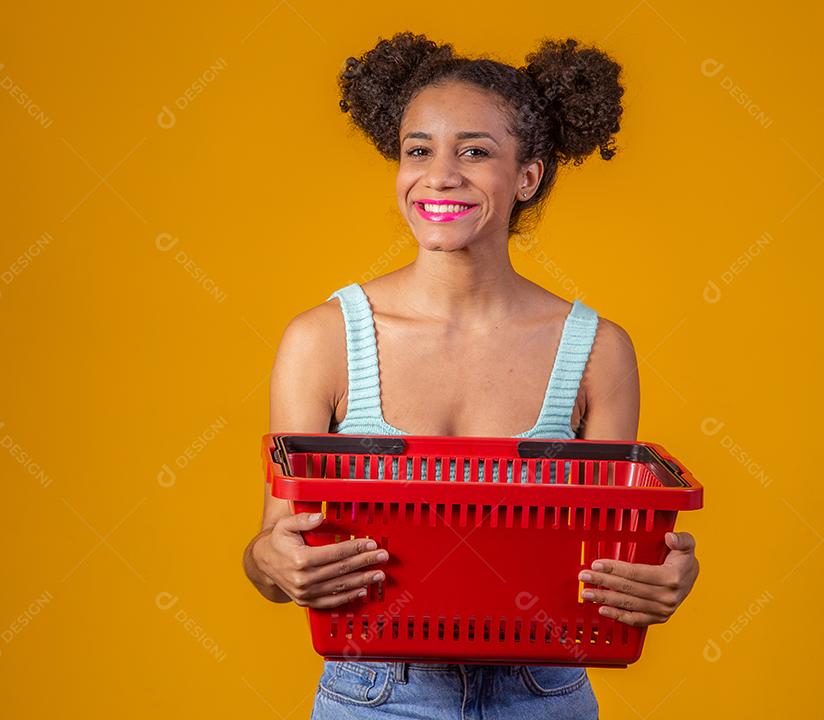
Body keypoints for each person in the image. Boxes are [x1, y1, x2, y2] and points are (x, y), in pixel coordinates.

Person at [241, 31, 700, 719]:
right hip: (374, 696)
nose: (440, 175)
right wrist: (273, 563)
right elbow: (271, 558)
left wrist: (664, 581)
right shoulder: (323, 340)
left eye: (475, 151)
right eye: (418, 150)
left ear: (527, 176)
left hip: (544, 696)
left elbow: (613, 565)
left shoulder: (599, 350)